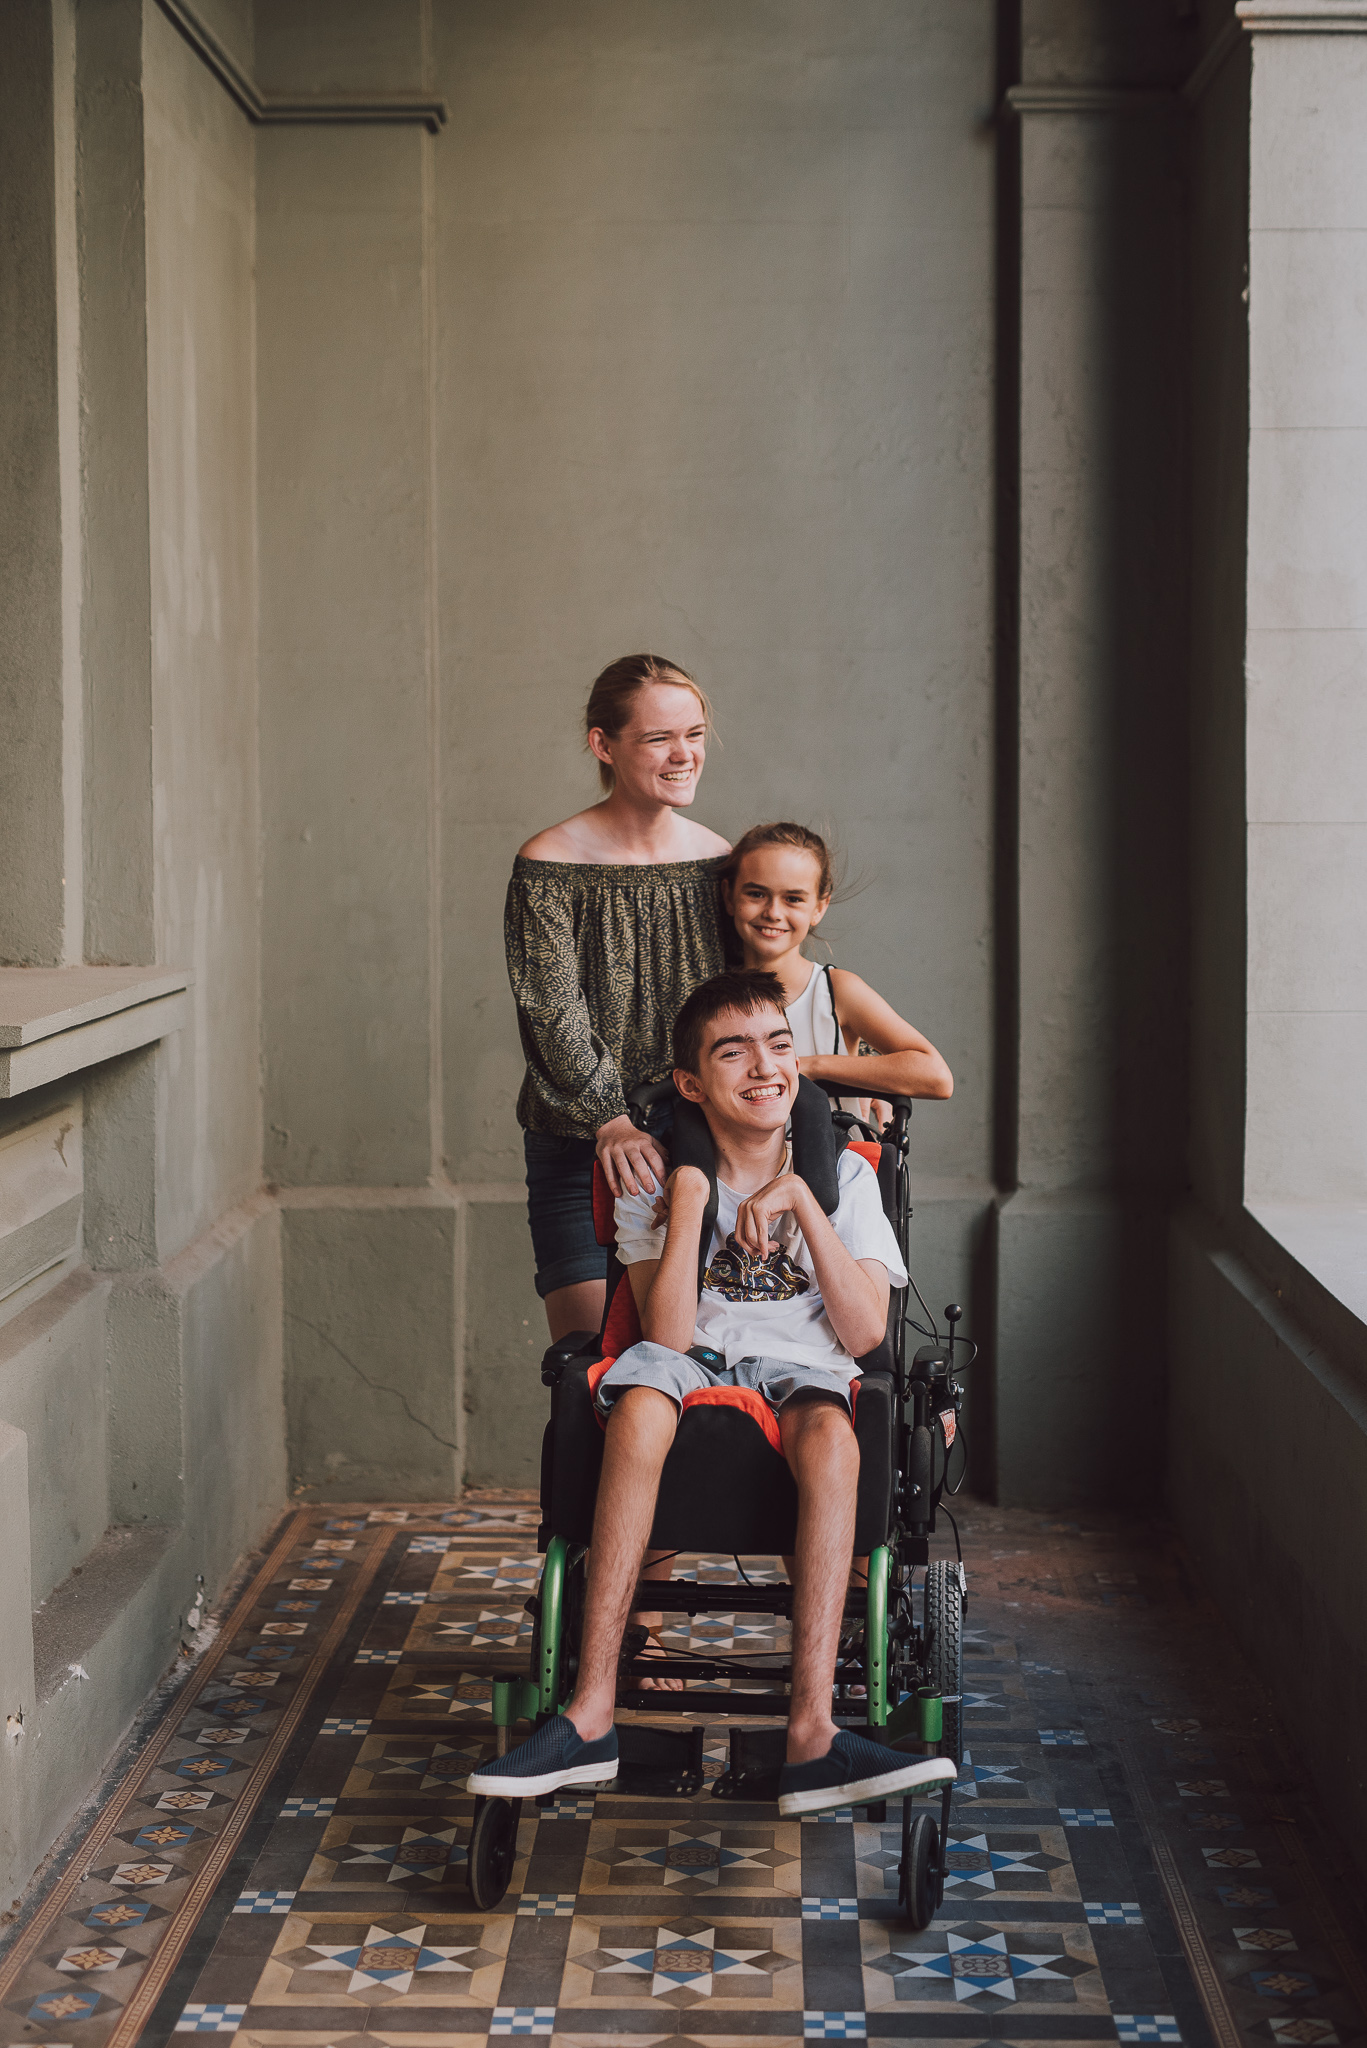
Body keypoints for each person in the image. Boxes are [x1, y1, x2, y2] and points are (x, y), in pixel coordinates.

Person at [468, 969, 954, 1818]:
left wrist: (803, 1199)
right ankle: (590, 1715)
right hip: (688, 1358)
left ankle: (811, 1735)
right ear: (693, 1084)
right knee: (643, 1398)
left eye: (776, 1044)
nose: (763, 1066)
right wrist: (687, 1199)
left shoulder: (846, 1177)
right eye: (734, 1052)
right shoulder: (656, 1183)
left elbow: (866, 1334)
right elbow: (660, 1334)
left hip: (801, 1367)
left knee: (835, 1436)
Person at [506, 654, 730, 1343]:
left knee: (691, 1366)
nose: (683, 754)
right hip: (582, 1146)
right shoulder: (548, 862)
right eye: (658, 738)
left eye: (693, 734)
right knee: (587, 1366)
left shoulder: (720, 862)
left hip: (704, 1138)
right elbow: (549, 1007)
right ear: (603, 744)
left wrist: (843, 1065)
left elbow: (771, 987)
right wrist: (609, 1119)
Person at [720, 820, 953, 1114]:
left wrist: (815, 1066)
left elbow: (936, 1077)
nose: (773, 912)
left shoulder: (836, 990)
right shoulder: (713, 996)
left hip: (836, 1158)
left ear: (819, 907)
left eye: (793, 899)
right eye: (756, 894)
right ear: (729, 896)